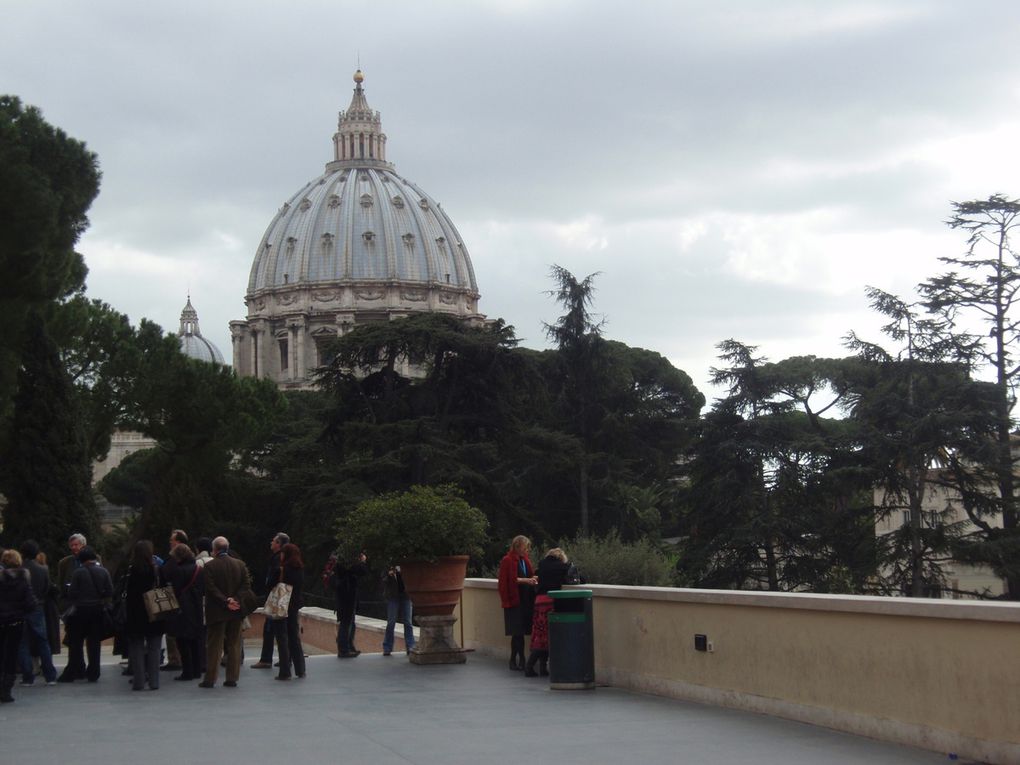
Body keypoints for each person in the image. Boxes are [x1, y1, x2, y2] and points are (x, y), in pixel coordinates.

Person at [199, 536, 252, 688]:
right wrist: (234, 599)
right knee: (234, 644)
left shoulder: (210, 566)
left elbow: (210, 588)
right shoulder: (240, 564)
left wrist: (225, 600)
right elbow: (246, 585)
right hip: (236, 611)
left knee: (214, 645)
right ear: (227, 548)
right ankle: (232, 678)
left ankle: (210, 678)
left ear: (214, 549)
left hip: (217, 611)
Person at [58, 546, 112, 683]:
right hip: (97, 610)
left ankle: (74, 670)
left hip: (80, 611)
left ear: (81, 560)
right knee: (94, 643)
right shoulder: (104, 572)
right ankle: (94, 672)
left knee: (75, 642)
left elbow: (72, 593)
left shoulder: (78, 573)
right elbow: (110, 591)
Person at [123, 540, 166, 691]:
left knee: (136, 648)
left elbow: (126, 592)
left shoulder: (132, 570)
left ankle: (139, 681)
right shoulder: (157, 569)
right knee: (154, 648)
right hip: (154, 611)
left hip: (136, 613)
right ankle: (154, 682)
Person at [524, 547, 572, 677]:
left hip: (539, 601)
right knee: (548, 635)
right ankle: (530, 667)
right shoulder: (562, 566)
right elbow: (577, 578)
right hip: (551, 602)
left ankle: (541, 667)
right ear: (561, 557)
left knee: (540, 634)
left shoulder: (541, 566)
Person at [16, 540, 57, 686]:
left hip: (20, 609)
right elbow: (47, 588)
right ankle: (50, 676)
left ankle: (28, 676)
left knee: (22, 643)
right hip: (38, 607)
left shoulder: (18, 570)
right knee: (42, 642)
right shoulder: (43, 569)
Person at [1, 549, 37, 703]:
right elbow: (31, 603)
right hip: (16, 621)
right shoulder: (23, 580)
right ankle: (6, 690)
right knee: (11, 655)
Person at [164, 543, 204, 682]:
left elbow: (174, 590)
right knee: (195, 641)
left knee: (182, 641)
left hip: (183, 609)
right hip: (196, 608)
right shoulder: (198, 569)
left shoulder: (178, 571)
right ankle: (197, 670)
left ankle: (187, 671)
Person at [497, 535, 536, 671]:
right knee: (517, 632)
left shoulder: (525, 560)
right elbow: (507, 580)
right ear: (518, 546)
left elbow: (529, 575)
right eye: (526, 547)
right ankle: (520, 660)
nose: (527, 550)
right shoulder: (507, 560)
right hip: (514, 600)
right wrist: (526, 580)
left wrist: (533, 578)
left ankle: (516, 660)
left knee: (519, 632)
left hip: (525, 600)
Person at [251, 532, 288, 670]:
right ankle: (285, 657)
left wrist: (269, 585)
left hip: (276, 596)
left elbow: (276, 574)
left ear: (278, 544)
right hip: (281, 596)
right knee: (280, 629)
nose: (270, 543)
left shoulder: (278, 558)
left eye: (273, 541)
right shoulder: (283, 558)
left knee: (270, 628)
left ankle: (266, 659)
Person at [271, 542, 305, 680]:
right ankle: (300, 669)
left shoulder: (282, 569)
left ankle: (285, 671)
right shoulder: (300, 569)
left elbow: (271, 584)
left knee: (282, 637)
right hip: (294, 604)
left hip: (282, 603)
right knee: (294, 637)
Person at [160, 528, 189, 673]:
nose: (170, 542)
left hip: (173, 598)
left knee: (172, 631)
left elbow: (166, 575)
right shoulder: (189, 558)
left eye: (172, 540)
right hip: (184, 599)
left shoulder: (174, 560)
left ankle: (175, 659)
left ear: (178, 542)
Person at [330, 550, 367, 658]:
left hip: (344, 594)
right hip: (347, 594)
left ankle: (349, 647)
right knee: (346, 622)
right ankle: (344, 650)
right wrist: (362, 561)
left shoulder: (339, 559)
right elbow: (362, 571)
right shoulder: (346, 561)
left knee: (349, 621)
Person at [382, 565, 415, 657]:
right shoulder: (388, 565)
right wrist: (389, 575)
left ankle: (410, 646)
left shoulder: (406, 565)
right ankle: (387, 647)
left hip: (406, 596)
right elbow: (383, 580)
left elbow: (412, 578)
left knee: (408, 622)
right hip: (393, 597)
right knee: (391, 622)